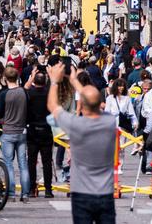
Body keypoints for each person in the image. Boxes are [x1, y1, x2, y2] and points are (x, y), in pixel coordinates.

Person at [47, 59, 116, 224]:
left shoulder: (76, 124)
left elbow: (52, 105)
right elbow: (92, 101)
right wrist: (74, 81)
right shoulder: (109, 121)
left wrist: (55, 82)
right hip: (105, 192)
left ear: (82, 106)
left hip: (81, 192)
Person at [0, 66, 29, 202]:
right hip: (21, 130)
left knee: (8, 163)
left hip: (8, 130)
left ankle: (11, 193)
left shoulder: (4, 94)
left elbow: (0, 113)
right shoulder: (24, 92)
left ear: (5, 78)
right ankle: (25, 194)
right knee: (23, 163)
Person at [25, 70, 54, 198]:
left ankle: (32, 188)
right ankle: (48, 189)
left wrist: (31, 77)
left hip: (32, 129)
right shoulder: (49, 93)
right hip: (46, 129)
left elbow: (25, 88)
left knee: (32, 161)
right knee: (47, 162)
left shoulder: (29, 93)